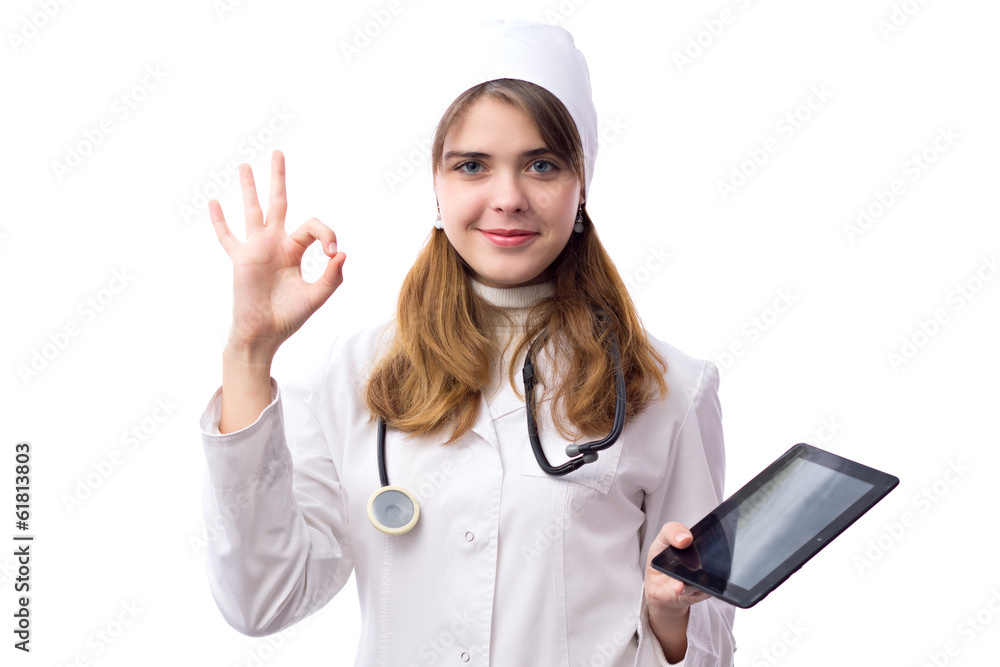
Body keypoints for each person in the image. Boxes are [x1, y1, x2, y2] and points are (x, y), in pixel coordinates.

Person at [199, 18, 736, 667]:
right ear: (436, 183)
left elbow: (708, 657)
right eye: (472, 165)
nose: (507, 198)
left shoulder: (671, 389)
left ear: (582, 181)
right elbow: (261, 600)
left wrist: (668, 616)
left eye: (542, 164)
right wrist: (249, 353)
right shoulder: (352, 376)